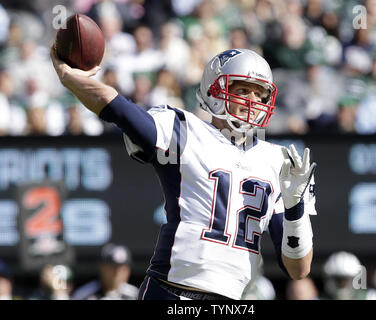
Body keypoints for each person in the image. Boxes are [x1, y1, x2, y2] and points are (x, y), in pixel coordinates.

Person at [51, 46, 317, 300]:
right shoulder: (185, 131)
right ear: (216, 90)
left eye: (260, 94)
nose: (253, 101)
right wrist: (70, 78)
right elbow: (119, 110)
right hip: (172, 290)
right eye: (244, 90)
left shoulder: (279, 162)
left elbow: (298, 269)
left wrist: (295, 210)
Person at [71, 243, 138, 300]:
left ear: (128, 271)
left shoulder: (135, 295)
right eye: (113, 268)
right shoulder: (84, 295)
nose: (117, 273)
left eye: (122, 269)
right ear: (102, 269)